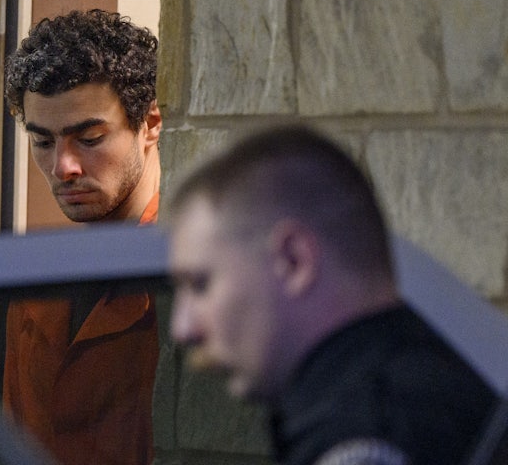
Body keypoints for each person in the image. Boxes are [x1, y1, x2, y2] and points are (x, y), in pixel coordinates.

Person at [166, 124, 497, 465]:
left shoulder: (364, 438)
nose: (183, 328)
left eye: (200, 284)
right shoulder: (430, 386)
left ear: (293, 260)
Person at [2, 9, 162, 465]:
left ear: (150, 125)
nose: (62, 168)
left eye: (89, 139)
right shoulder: (35, 283)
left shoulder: (186, 277)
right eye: (43, 142)